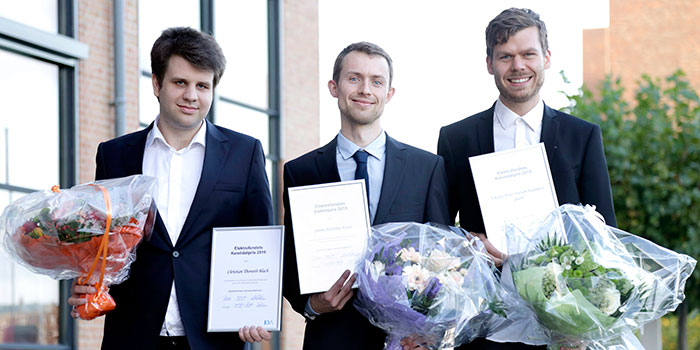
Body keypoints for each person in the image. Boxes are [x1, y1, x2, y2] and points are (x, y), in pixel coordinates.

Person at [67, 27, 274, 349]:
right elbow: (104, 244)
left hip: (216, 339)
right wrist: (90, 282)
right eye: (181, 82)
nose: (192, 95)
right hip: (134, 335)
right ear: (156, 84)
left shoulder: (244, 153)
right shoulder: (115, 155)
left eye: (202, 86)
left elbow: (261, 237)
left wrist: (259, 306)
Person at [438, 8, 616, 350]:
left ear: (546, 58)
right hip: (483, 328)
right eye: (505, 56)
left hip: (563, 330)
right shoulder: (456, 138)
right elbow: (439, 230)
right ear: (489, 63)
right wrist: (469, 244)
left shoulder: (583, 136)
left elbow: (604, 236)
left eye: (528, 54)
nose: (518, 66)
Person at [282, 42, 450, 350]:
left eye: (376, 81)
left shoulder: (426, 168)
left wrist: (430, 335)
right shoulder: (301, 171)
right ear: (334, 87)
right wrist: (313, 305)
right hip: (331, 337)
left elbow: (441, 259)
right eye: (354, 78)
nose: (365, 89)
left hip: (405, 342)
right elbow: (291, 262)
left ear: (389, 93)